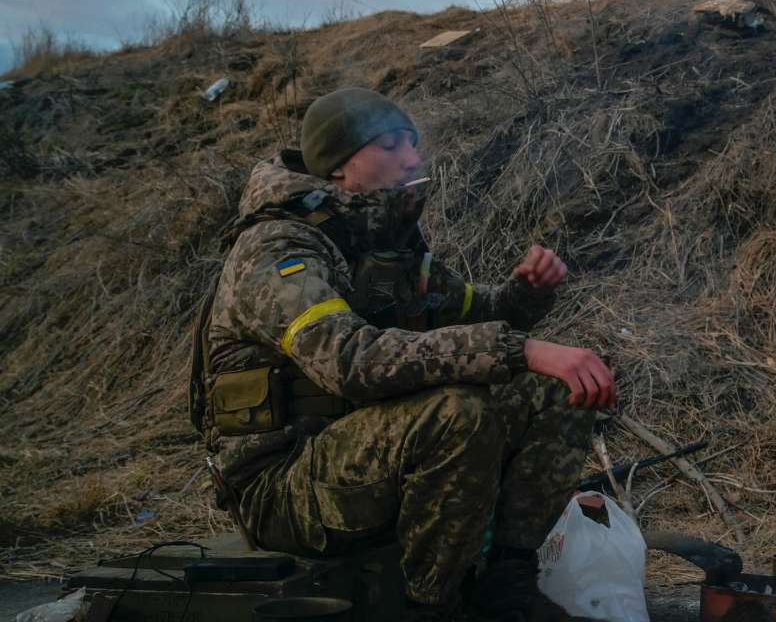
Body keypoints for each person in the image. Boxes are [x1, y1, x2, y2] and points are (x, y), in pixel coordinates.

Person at [190, 87, 616, 621]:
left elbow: (469, 318)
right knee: (458, 414)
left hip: (359, 453)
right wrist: (521, 348)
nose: (413, 158)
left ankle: (505, 583)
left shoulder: (387, 245)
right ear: (341, 166)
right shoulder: (279, 248)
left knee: (552, 391)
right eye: (391, 145)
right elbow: (349, 359)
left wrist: (525, 295)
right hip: (281, 485)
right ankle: (430, 609)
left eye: (412, 143)